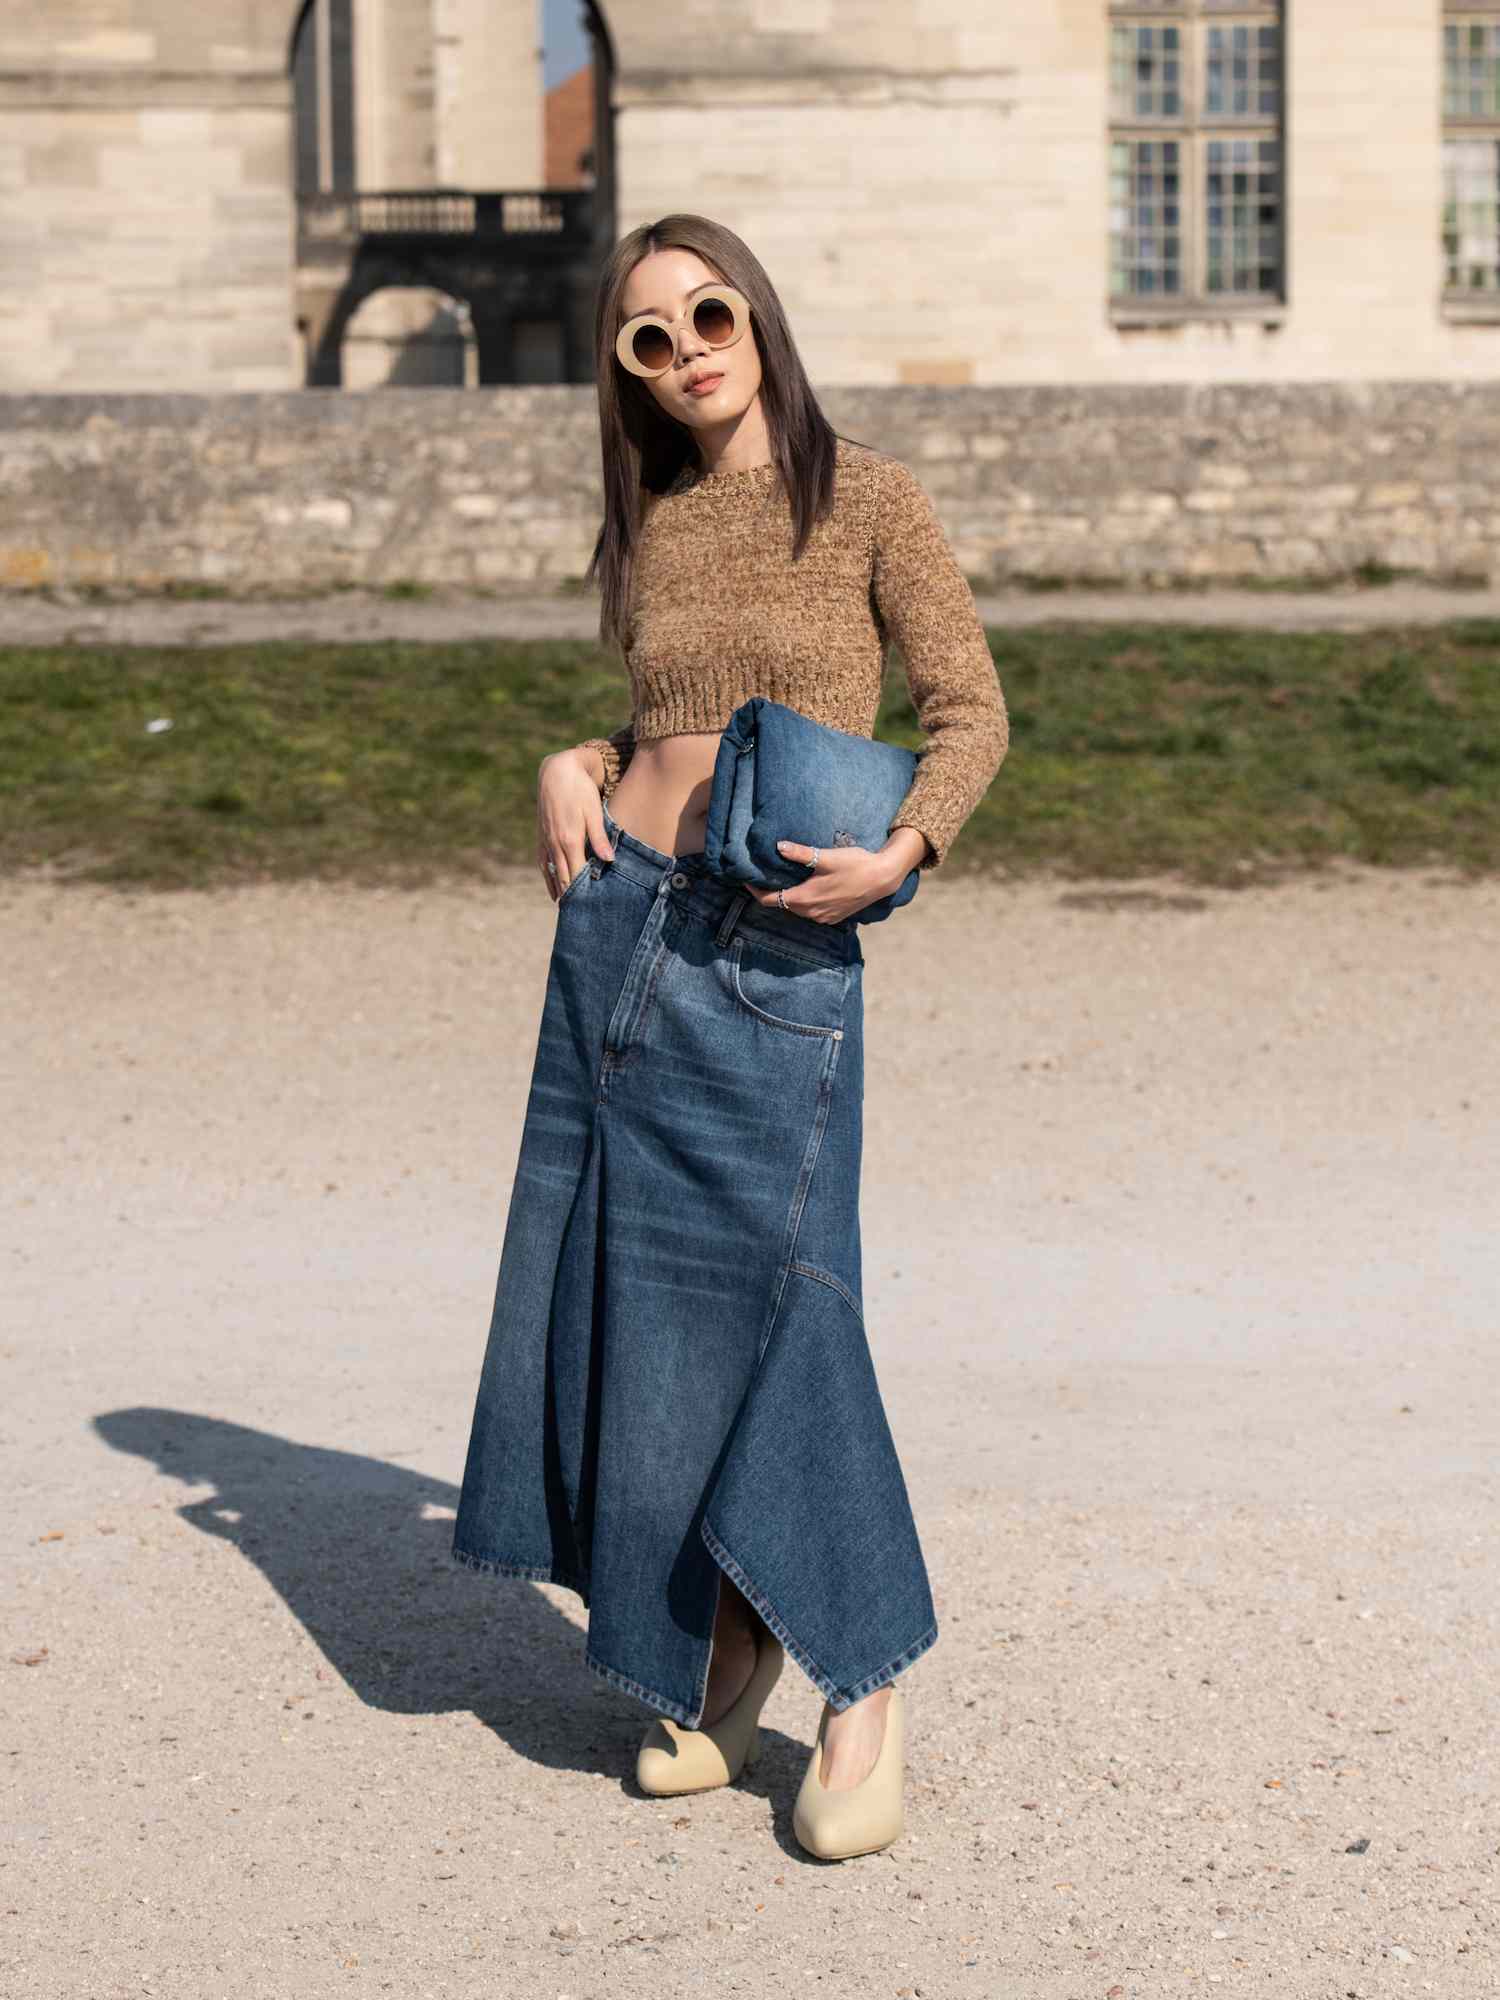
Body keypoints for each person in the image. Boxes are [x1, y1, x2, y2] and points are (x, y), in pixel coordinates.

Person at [451, 212, 1010, 1861]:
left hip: (779, 946)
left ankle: (865, 1674)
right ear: (625, 370)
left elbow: (969, 708)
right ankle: (723, 1646)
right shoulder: (656, 524)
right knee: (645, 1307)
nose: (685, 345)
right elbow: (667, 724)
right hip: (619, 927)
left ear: (757, 317)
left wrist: (906, 853)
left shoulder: (871, 498)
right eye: (646, 335)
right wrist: (574, 755)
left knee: (788, 1302)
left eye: (708, 312)